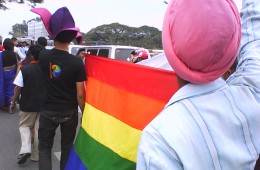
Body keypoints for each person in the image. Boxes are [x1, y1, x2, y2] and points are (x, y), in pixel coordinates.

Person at [137, 0, 260, 170]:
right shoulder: (253, 92)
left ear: (168, 45)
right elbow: (255, 40)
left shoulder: (160, 139)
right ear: (232, 51)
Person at [31, 6, 86, 170]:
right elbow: (80, 94)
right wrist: (84, 112)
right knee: (67, 147)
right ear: (71, 37)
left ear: (52, 34)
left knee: (44, 148)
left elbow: (59, 67)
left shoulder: (44, 56)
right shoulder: (77, 64)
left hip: (48, 110)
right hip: (69, 112)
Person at [10, 45, 44, 164]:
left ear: (32, 55)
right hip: (44, 105)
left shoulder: (25, 69)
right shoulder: (50, 69)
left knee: (24, 126)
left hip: (28, 104)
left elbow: (18, 89)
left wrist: (13, 102)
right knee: (38, 129)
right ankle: (35, 156)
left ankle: (25, 149)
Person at [0, 38, 20, 113]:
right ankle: (10, 107)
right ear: (12, 46)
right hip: (11, 75)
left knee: (2, 88)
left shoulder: (0, 54)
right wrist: (16, 75)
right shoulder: (15, 54)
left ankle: (2, 104)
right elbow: (18, 66)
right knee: (11, 90)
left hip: (2, 74)